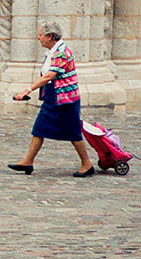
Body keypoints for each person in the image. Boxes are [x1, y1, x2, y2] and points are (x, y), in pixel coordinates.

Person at [8, 21, 95, 177]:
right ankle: (28, 162)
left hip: (65, 99)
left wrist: (27, 90)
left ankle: (87, 164)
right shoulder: (53, 51)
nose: (38, 38)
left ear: (50, 36)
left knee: (73, 132)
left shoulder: (61, 52)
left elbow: (49, 76)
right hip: (54, 97)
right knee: (39, 128)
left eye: (41, 35)